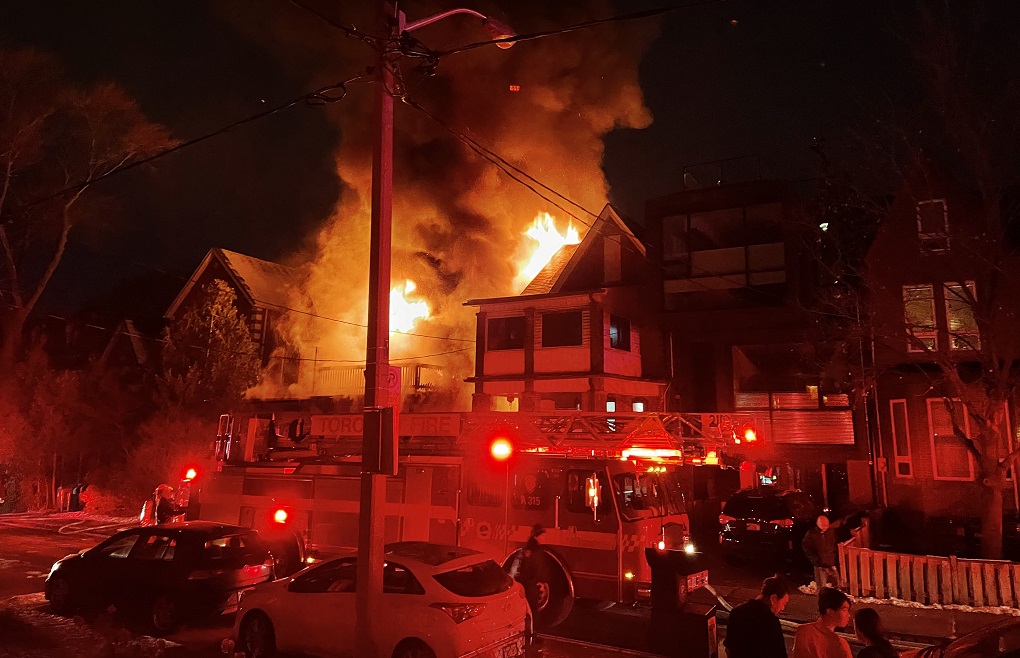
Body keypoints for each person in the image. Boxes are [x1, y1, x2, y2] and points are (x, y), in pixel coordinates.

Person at [724, 574, 790, 658]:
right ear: (773, 598)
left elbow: (728, 649)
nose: (782, 608)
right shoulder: (771, 622)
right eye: (783, 603)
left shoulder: (736, 612)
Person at [793, 587, 852, 658]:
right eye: (844, 610)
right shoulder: (839, 643)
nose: (848, 615)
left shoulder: (802, 630)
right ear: (830, 611)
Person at [802, 515, 840, 590]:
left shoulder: (831, 531)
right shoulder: (811, 534)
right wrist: (816, 560)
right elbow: (807, 548)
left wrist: (835, 557)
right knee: (822, 587)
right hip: (820, 565)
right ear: (817, 523)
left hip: (831, 562)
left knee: (836, 585)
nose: (825, 527)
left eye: (826, 525)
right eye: (823, 525)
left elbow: (834, 544)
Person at [519, 524, 549, 614]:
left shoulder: (534, 548)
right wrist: (537, 581)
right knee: (531, 610)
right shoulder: (533, 550)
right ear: (536, 536)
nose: (544, 538)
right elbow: (529, 568)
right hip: (532, 586)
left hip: (533, 584)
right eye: (542, 536)